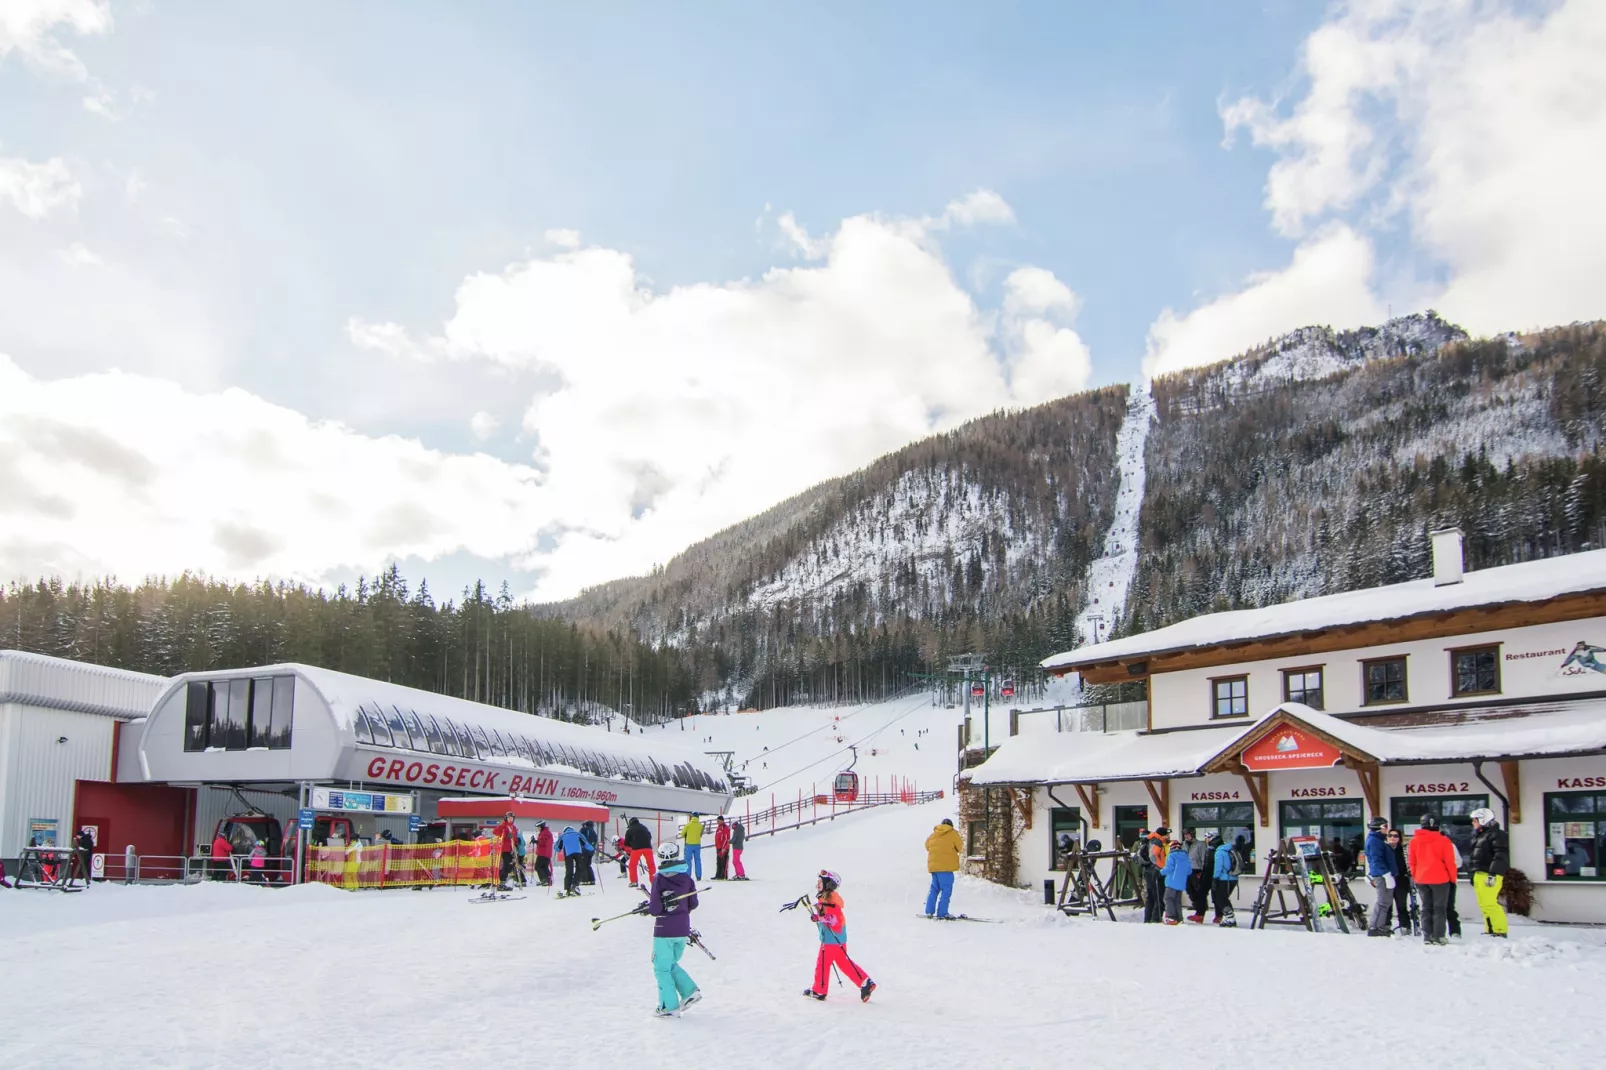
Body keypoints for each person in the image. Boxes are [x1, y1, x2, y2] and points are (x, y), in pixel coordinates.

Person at [647, 842, 702, 1018]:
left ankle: (668, 1006)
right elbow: (693, 903)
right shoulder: (686, 878)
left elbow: (655, 909)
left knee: (661, 968)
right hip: (682, 929)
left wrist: (652, 907)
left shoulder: (660, 879)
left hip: (664, 931)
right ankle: (689, 992)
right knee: (669, 964)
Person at [803, 869, 875, 1003]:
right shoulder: (827, 899)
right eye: (818, 881)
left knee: (822, 964)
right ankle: (865, 982)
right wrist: (819, 917)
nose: (818, 884)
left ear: (829, 884)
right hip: (839, 939)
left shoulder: (830, 901)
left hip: (832, 939)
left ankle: (819, 990)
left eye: (821, 882)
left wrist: (820, 918)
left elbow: (833, 919)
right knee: (843, 962)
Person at [1407, 814, 1457, 946]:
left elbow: (1412, 862)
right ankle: (1439, 936)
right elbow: (1450, 863)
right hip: (1441, 879)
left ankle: (1427, 936)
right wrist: (1452, 879)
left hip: (1421, 878)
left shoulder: (1414, 841)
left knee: (1426, 908)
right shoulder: (1444, 841)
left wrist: (1416, 876)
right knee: (1439, 908)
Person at [1468, 807, 1510, 937]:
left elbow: (1500, 855)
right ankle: (1490, 929)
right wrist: (1472, 874)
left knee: (1490, 903)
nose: (1473, 823)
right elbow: (1475, 857)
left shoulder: (1497, 834)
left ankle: (1500, 930)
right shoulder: (1480, 836)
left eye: (1475, 820)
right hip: (1479, 874)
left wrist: (1493, 874)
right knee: (1483, 904)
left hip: (1489, 874)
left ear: (1483, 820)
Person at [1363, 816, 1397, 937]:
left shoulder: (1379, 839)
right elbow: (1376, 860)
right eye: (1385, 827)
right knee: (1382, 901)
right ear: (1378, 828)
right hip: (1381, 875)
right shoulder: (1374, 841)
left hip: (1382, 873)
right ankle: (1374, 927)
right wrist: (1386, 874)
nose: (1387, 830)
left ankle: (1380, 926)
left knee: (1386, 902)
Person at [924, 818, 963, 918]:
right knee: (946, 890)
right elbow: (960, 847)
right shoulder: (953, 833)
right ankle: (942, 912)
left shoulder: (933, 834)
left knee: (934, 889)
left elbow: (927, 846)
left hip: (934, 868)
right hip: (946, 867)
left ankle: (929, 911)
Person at [1386, 827, 1414, 934]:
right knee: (1387, 904)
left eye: (1395, 836)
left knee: (1401, 905)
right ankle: (1386, 924)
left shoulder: (1404, 850)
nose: (1393, 838)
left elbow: (1409, 865)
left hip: (1401, 880)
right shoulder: (1384, 849)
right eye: (1390, 835)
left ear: (1399, 838)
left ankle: (1405, 926)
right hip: (1387, 880)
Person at [1208, 832, 1237, 927]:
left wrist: (1215, 878)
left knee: (1220, 899)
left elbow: (1218, 867)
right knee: (1224, 898)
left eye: (1208, 838)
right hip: (1233, 878)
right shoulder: (1228, 849)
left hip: (1224, 879)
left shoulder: (1219, 852)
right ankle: (1230, 918)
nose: (1207, 840)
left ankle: (1230, 918)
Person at [1140, 828, 1169, 923]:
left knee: (1151, 897)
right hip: (1155, 872)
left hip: (1149, 871)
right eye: (1167, 835)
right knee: (1158, 896)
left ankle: (1147, 919)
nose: (1168, 837)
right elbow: (1153, 855)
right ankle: (1156, 919)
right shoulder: (1157, 842)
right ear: (1163, 835)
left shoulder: (1150, 840)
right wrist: (1160, 867)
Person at [1160, 836, 1191, 925]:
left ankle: (1171, 917)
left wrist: (1161, 871)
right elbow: (1189, 871)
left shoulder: (1172, 856)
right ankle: (1179, 917)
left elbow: (1169, 868)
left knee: (1168, 898)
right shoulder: (1185, 856)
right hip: (1181, 883)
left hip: (1172, 882)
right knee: (1177, 900)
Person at [1184, 829, 1211, 923]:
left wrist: (1203, 871)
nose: (1186, 836)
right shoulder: (1184, 845)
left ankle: (1200, 912)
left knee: (1199, 891)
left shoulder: (1200, 844)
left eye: (1188, 834)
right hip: (1186, 871)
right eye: (1185, 835)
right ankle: (1197, 908)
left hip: (1197, 870)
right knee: (1189, 890)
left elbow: (1204, 858)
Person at [624, 817, 656, 888]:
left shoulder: (630, 830)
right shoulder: (644, 828)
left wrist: (632, 845)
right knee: (651, 865)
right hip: (648, 847)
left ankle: (634, 881)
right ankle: (654, 881)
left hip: (636, 849)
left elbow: (626, 842)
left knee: (632, 865)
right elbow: (650, 836)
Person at [493, 811, 520, 890]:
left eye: (512, 818)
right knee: (506, 865)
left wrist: (516, 842)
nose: (510, 819)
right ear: (506, 818)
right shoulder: (503, 826)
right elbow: (495, 832)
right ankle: (501, 881)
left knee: (511, 865)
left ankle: (502, 879)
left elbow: (514, 837)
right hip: (505, 849)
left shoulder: (514, 827)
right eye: (509, 818)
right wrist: (505, 836)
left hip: (512, 849)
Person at [557, 825, 587, 896]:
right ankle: (574, 884)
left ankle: (567, 889)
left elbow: (558, 847)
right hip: (578, 853)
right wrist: (591, 848)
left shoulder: (563, 835)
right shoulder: (577, 834)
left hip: (568, 854)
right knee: (579, 868)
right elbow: (584, 843)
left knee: (569, 870)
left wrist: (557, 849)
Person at [683, 813, 705, 880]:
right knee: (697, 860)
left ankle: (687, 875)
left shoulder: (688, 825)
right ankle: (698, 876)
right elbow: (701, 834)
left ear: (692, 817)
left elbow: (682, 834)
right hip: (697, 845)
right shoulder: (700, 825)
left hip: (689, 844)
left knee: (688, 860)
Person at [578, 821, 599, 885]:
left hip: (584, 850)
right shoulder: (593, 832)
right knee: (588, 865)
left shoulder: (584, 830)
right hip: (591, 850)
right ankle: (591, 879)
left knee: (583, 865)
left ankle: (584, 880)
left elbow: (580, 838)